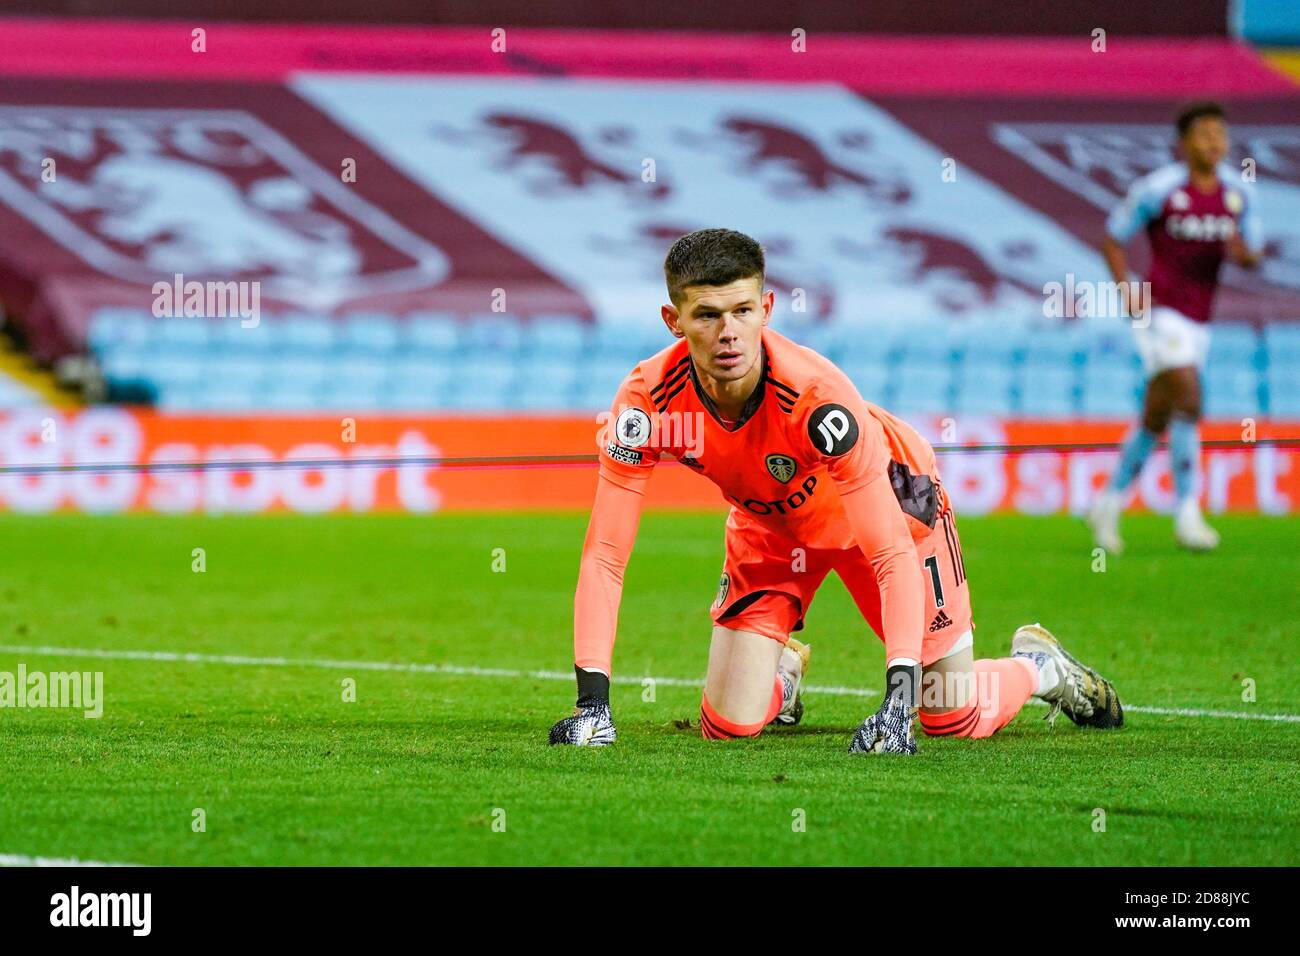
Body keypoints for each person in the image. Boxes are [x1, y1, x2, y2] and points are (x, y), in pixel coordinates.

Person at [550, 229, 1122, 753]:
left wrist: (897, 703)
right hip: (770, 526)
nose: (728, 333)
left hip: (895, 507)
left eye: (743, 311)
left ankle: (1037, 667)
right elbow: (606, 553)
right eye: (707, 315)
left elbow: (890, 552)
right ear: (673, 320)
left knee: (950, 714)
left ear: (766, 308)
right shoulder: (646, 403)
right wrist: (592, 706)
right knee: (727, 726)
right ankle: (783, 673)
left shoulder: (818, 399)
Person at [1091, 101, 1263, 553]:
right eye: (1205, 134)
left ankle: (1107, 503)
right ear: (1184, 143)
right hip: (1158, 310)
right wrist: (1125, 287)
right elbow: (1113, 236)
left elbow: (1252, 250)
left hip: (1200, 319)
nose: (1215, 143)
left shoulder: (1238, 194)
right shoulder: (1159, 189)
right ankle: (1188, 513)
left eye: (1220, 135)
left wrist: (1244, 253)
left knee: (1157, 415)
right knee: (1189, 395)